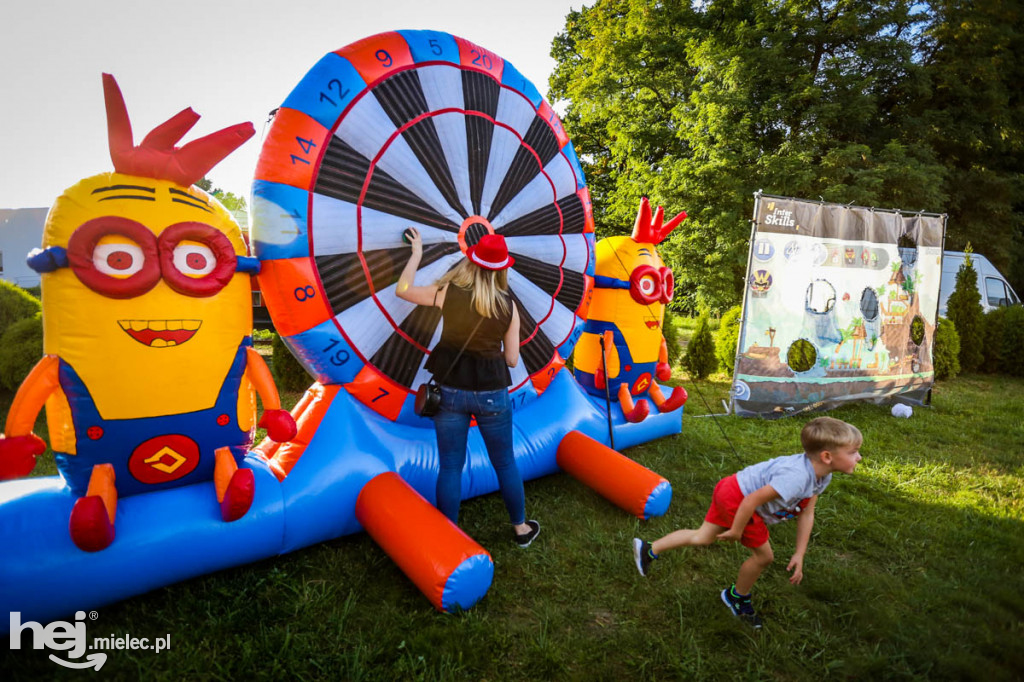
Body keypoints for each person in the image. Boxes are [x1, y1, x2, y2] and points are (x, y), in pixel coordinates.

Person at [632, 416, 862, 628]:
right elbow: (751, 500)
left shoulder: (822, 476)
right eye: (853, 452)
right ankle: (735, 597)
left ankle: (649, 549)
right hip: (738, 499)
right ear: (827, 457)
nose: (859, 457)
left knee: (702, 537)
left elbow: (807, 513)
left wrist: (799, 553)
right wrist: (736, 530)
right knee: (764, 557)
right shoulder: (797, 477)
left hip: (731, 489)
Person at [396, 227, 540, 548]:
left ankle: (448, 535)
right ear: (503, 268)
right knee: (504, 462)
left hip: (450, 391)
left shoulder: (449, 291)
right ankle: (520, 528)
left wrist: (416, 254)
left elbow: (403, 289)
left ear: (472, 261)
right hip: (492, 394)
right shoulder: (509, 306)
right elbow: (513, 360)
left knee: (450, 465)